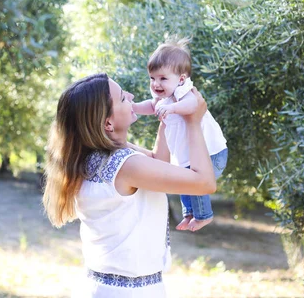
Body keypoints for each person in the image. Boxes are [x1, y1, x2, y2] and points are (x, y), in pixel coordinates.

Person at [43, 73, 215, 298]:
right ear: (108, 123)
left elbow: (158, 165)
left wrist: (167, 117)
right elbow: (204, 183)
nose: (131, 97)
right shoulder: (125, 165)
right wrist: (193, 122)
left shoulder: (96, 156)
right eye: (123, 98)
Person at [132, 38, 228, 232]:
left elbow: (194, 106)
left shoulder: (184, 92)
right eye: (152, 78)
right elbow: (152, 106)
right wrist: (133, 107)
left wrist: (174, 108)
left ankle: (204, 215)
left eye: (162, 78)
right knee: (183, 180)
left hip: (212, 154)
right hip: (189, 158)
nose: (156, 84)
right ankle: (189, 213)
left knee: (193, 183)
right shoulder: (164, 97)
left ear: (181, 79)